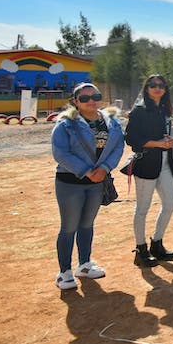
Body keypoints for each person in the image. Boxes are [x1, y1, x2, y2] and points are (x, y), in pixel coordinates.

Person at [50, 82, 125, 290]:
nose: (91, 101)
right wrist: (86, 171)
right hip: (70, 182)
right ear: (75, 102)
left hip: (97, 182)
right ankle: (64, 272)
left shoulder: (111, 122)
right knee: (69, 227)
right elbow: (60, 152)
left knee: (87, 224)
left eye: (95, 96)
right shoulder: (66, 124)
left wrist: (105, 168)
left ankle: (84, 264)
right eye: (84, 98)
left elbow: (118, 146)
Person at [125, 74, 173, 268]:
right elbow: (131, 139)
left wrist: (169, 142)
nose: (157, 88)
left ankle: (157, 244)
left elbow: (162, 135)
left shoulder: (164, 109)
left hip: (165, 164)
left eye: (161, 85)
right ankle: (141, 249)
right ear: (146, 88)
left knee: (170, 203)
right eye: (153, 85)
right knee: (142, 209)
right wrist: (158, 143)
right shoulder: (139, 110)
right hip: (146, 164)